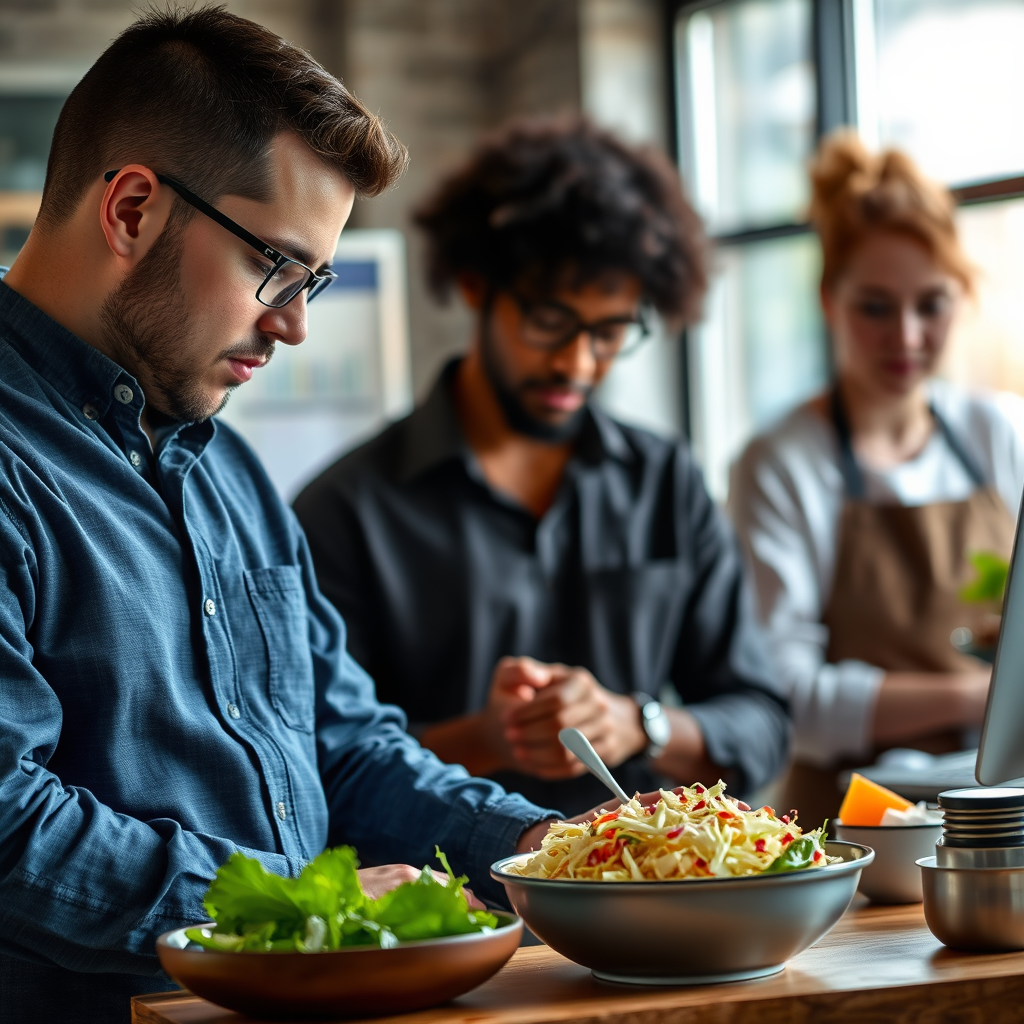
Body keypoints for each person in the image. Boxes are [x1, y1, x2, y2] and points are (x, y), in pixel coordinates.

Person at [0, 11, 576, 1023]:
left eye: (312, 280)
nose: (297, 324)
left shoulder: (233, 475)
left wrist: (554, 847)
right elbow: (8, 823)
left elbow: (343, 748)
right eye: (276, 265)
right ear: (132, 208)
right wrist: (303, 915)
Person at [293, 117, 790, 817]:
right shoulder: (345, 511)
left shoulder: (664, 481)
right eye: (550, 322)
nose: (578, 362)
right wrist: (489, 739)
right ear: (474, 286)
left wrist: (638, 722)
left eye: (611, 331)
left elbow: (764, 723)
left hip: (648, 899)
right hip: (449, 914)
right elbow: (308, 762)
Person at [729, 131, 1024, 827]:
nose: (907, 336)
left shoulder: (998, 432)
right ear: (829, 300)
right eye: (875, 306)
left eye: (932, 304)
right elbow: (785, 699)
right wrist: (976, 698)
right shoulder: (781, 463)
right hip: (852, 826)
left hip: (1001, 807)